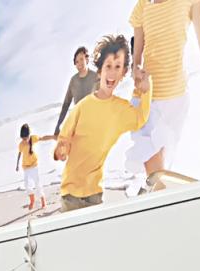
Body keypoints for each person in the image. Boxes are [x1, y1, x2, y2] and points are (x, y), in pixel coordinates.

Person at [126, 0, 200, 192]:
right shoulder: (142, 5)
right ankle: (155, 196)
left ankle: (152, 194)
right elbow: (137, 56)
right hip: (146, 95)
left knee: (161, 165)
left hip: (175, 98)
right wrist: (136, 70)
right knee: (150, 157)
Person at [53, 34, 151, 211]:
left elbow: (139, 119)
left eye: (117, 67)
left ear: (123, 73)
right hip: (70, 193)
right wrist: (62, 147)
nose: (112, 72)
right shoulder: (83, 106)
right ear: (100, 71)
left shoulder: (120, 110)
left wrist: (145, 91)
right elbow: (65, 134)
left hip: (95, 194)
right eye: (108, 66)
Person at [53, 46, 99, 136]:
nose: (79, 63)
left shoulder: (96, 77)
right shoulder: (73, 81)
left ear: (87, 59)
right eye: (77, 61)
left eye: (81, 59)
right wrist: (58, 125)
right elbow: (66, 104)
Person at [15, 124, 52, 210]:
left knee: (37, 184)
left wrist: (53, 137)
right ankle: (32, 200)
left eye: (26, 138)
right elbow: (19, 153)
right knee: (27, 185)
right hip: (26, 167)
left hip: (34, 166)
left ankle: (43, 200)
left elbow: (42, 138)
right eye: (23, 138)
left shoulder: (33, 138)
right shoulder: (21, 144)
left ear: (29, 135)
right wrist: (17, 165)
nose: (24, 140)